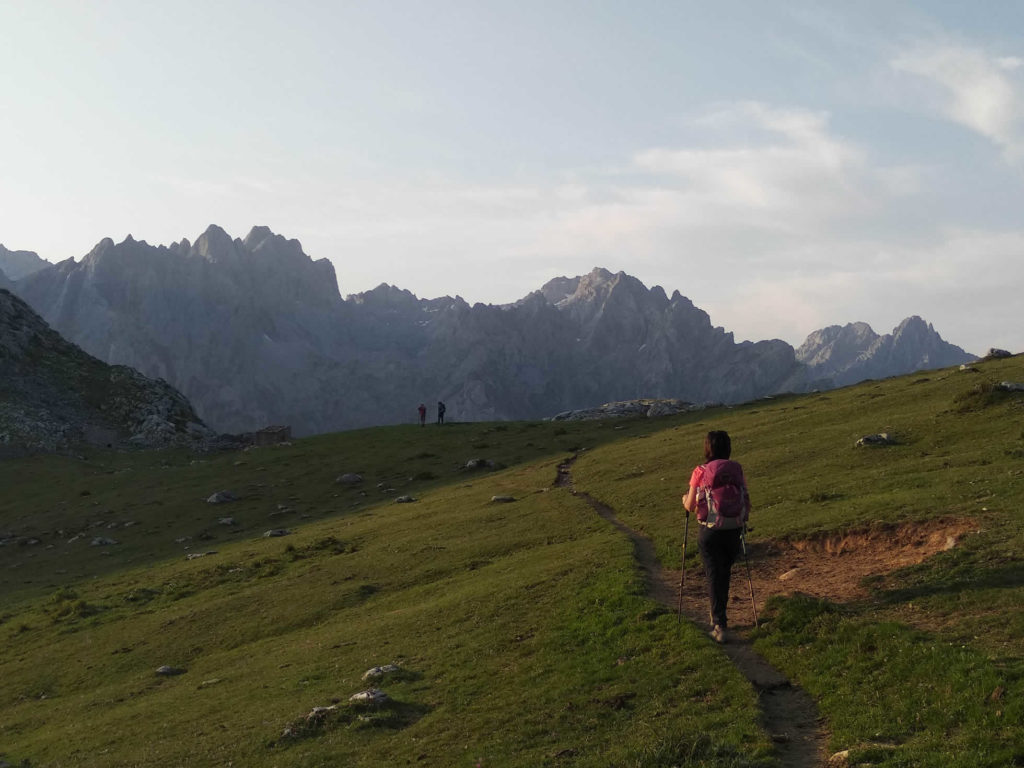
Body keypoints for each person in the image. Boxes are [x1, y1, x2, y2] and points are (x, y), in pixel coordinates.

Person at [682, 430, 750, 644]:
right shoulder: (736, 469)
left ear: (707, 448)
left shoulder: (700, 471)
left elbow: (690, 505)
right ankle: (721, 616)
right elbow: (745, 498)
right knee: (724, 572)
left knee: (713, 574)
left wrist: (684, 499)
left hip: (710, 530)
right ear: (728, 448)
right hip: (733, 528)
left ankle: (719, 624)